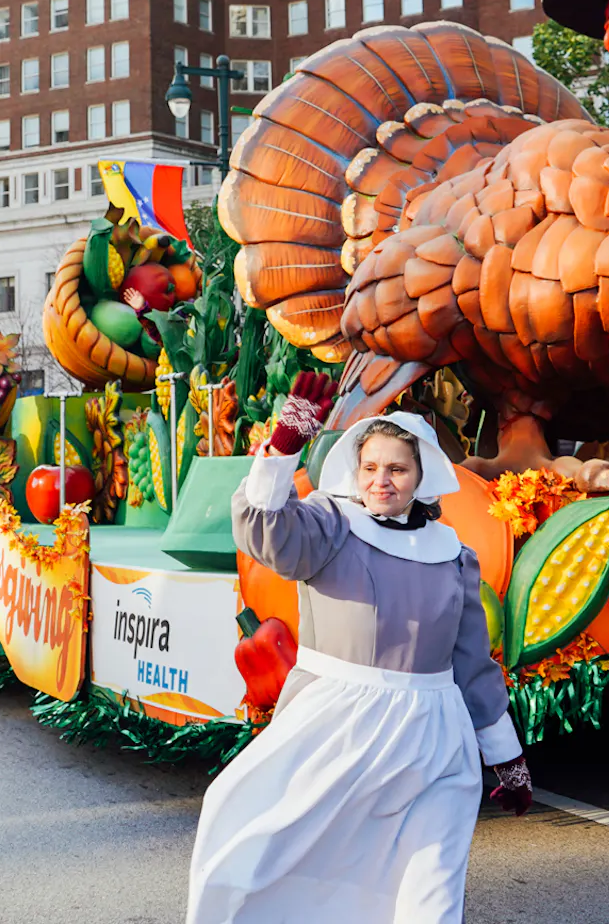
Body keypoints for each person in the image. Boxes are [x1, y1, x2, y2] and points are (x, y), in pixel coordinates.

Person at [187, 376, 530, 923]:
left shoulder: (454, 554)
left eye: (397, 469)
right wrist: (281, 451)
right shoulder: (329, 523)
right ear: (355, 469)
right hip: (338, 731)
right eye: (371, 468)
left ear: (422, 477)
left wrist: (505, 755)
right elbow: (264, 531)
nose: (382, 481)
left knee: (432, 897)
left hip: (436, 740)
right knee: (260, 851)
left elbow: (472, 663)